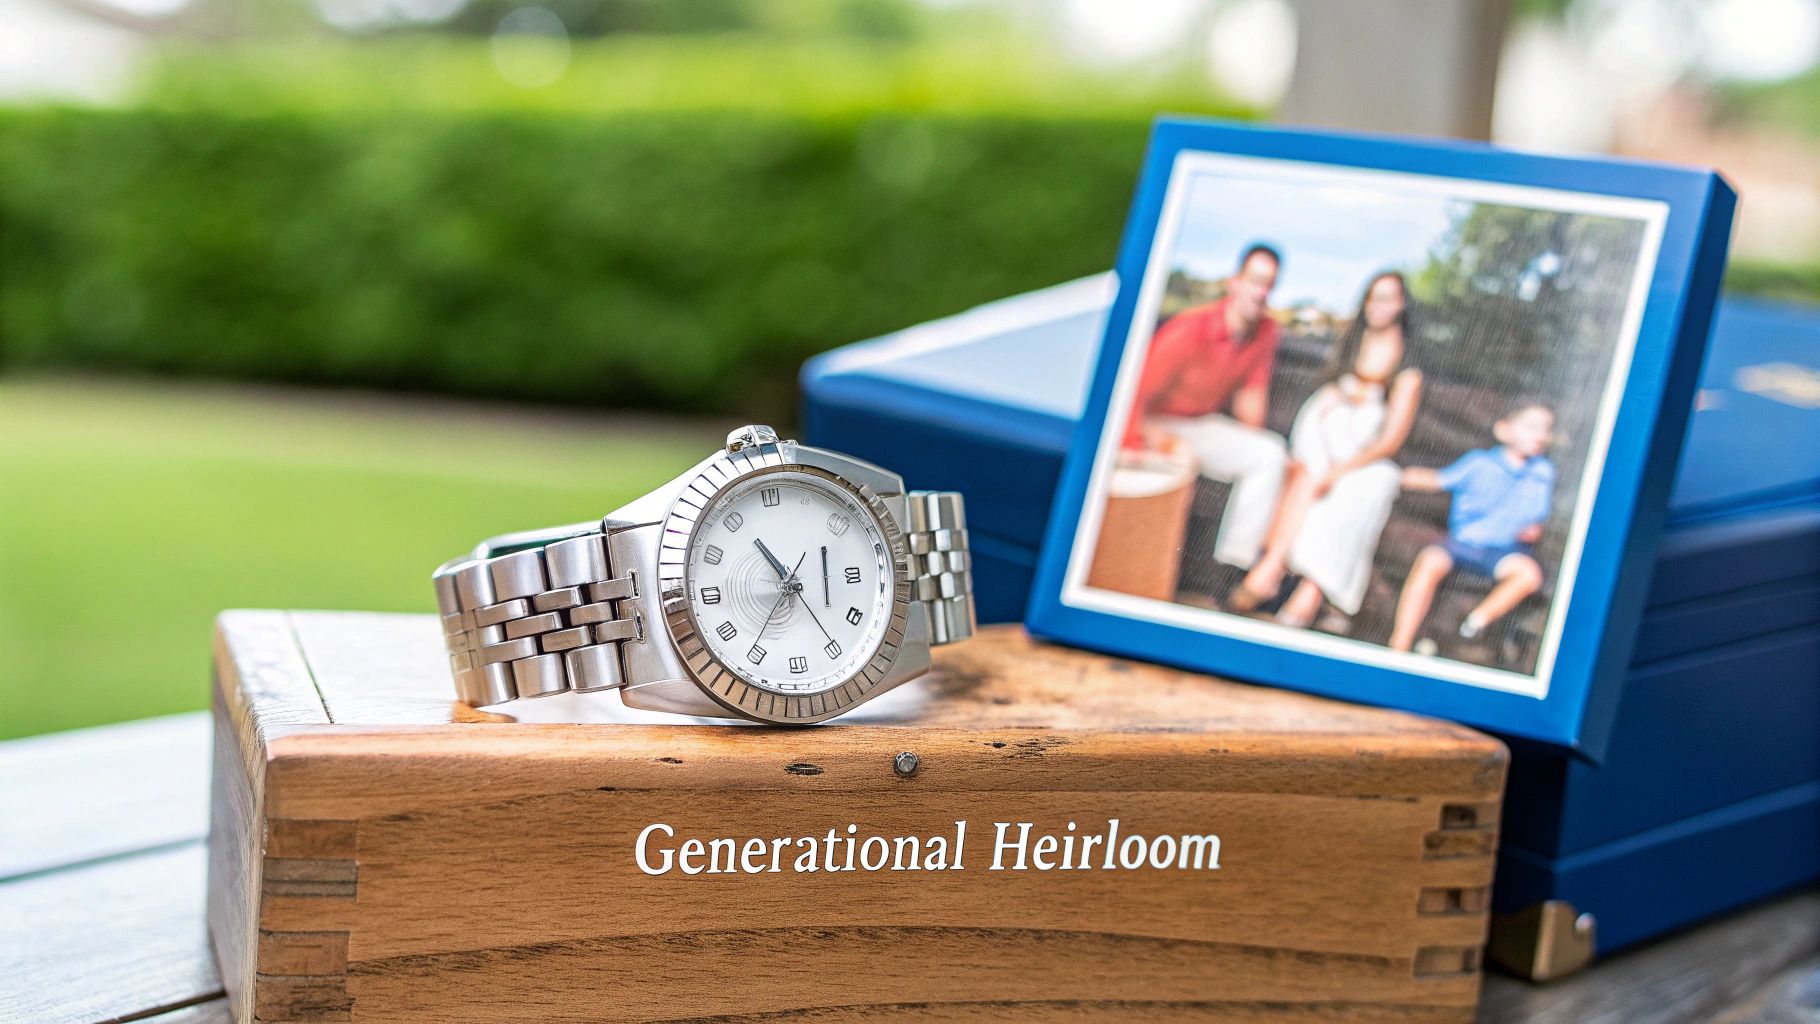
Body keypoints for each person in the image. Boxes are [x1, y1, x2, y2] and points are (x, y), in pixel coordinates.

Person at [1228, 271, 1422, 629]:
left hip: (1362, 454)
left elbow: (1390, 439)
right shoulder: (1349, 346)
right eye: (1372, 298)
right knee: (1308, 470)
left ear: (1401, 304)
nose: (1377, 307)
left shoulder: (1407, 371)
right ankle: (1273, 564)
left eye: (1386, 299)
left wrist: (1341, 469)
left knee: (1357, 490)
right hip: (1321, 435)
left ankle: (1308, 590)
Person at [1123, 243, 1287, 571]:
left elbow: (1251, 403)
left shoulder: (1266, 332)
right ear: (1234, 282)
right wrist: (1134, 447)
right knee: (1182, 455)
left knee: (1272, 453)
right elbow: (1134, 394)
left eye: (1269, 285)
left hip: (1200, 423)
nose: (1260, 292)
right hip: (1151, 419)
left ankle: (1228, 570)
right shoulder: (1190, 328)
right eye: (1255, 281)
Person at [1389, 402, 1558, 654]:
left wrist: (1534, 531)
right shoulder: (1479, 463)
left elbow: (1538, 519)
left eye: (1546, 429)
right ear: (1504, 430)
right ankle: (1399, 644)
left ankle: (1473, 624)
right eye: (1532, 427)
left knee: (1529, 575)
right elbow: (1437, 480)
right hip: (1462, 545)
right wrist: (1392, 475)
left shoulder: (1543, 473)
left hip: (1502, 551)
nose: (1540, 436)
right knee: (1430, 561)